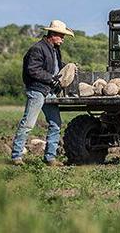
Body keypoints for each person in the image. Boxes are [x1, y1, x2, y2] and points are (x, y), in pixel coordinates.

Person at [11, 20, 75, 166]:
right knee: (28, 123)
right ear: (53, 34)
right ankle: (16, 156)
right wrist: (51, 78)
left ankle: (50, 157)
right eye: (61, 36)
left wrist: (68, 68)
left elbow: (54, 67)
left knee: (56, 123)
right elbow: (33, 70)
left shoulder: (55, 50)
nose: (63, 39)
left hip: (49, 90)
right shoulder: (37, 49)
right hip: (37, 90)